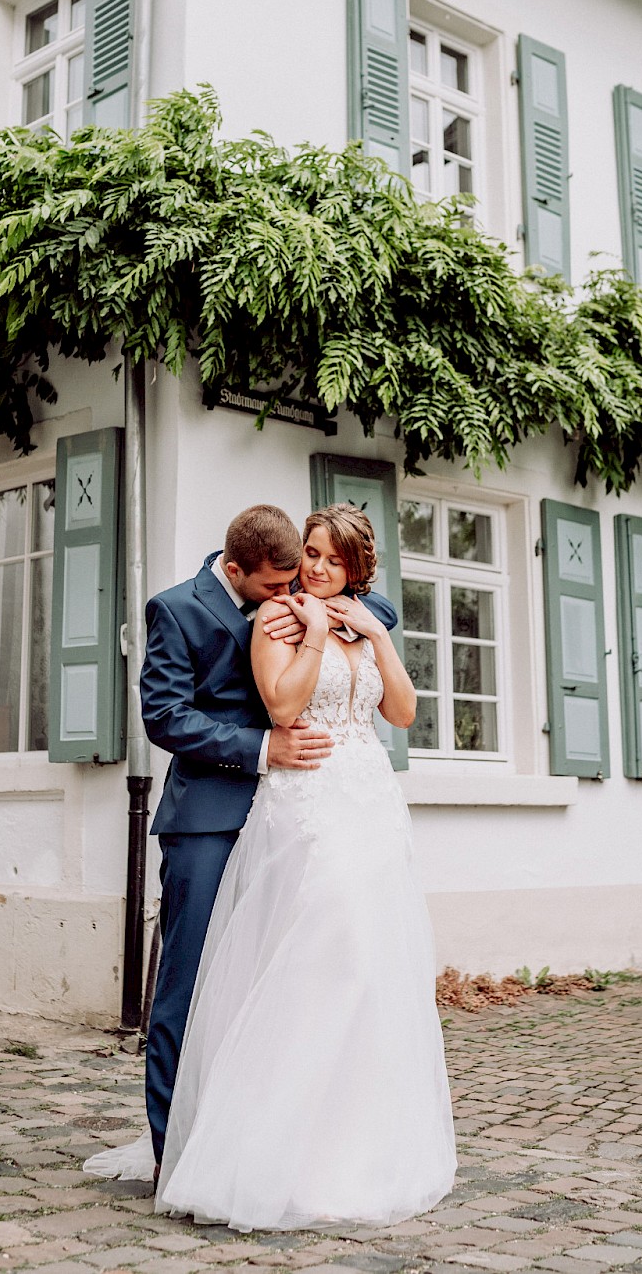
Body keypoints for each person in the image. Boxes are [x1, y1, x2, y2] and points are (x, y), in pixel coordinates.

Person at [154, 503, 456, 1230]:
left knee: (361, 969)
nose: (307, 574)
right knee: (207, 982)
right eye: (300, 562)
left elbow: (403, 704)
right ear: (246, 572)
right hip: (270, 806)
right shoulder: (234, 615)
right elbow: (191, 715)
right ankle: (184, 1152)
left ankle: (344, 1141)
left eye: (323, 560)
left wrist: (367, 626)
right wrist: (316, 634)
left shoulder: (350, 611)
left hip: (362, 804)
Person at [83, 503, 398, 1187]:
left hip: (292, 819)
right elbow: (166, 716)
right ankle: (176, 1153)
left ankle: (255, 1133)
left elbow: (379, 606)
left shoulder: (295, 595)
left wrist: (336, 616)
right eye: (276, 585)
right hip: (210, 818)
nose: (292, 592)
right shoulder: (176, 609)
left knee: (270, 985)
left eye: (299, 580)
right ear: (235, 570)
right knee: (189, 985)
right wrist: (261, 746)